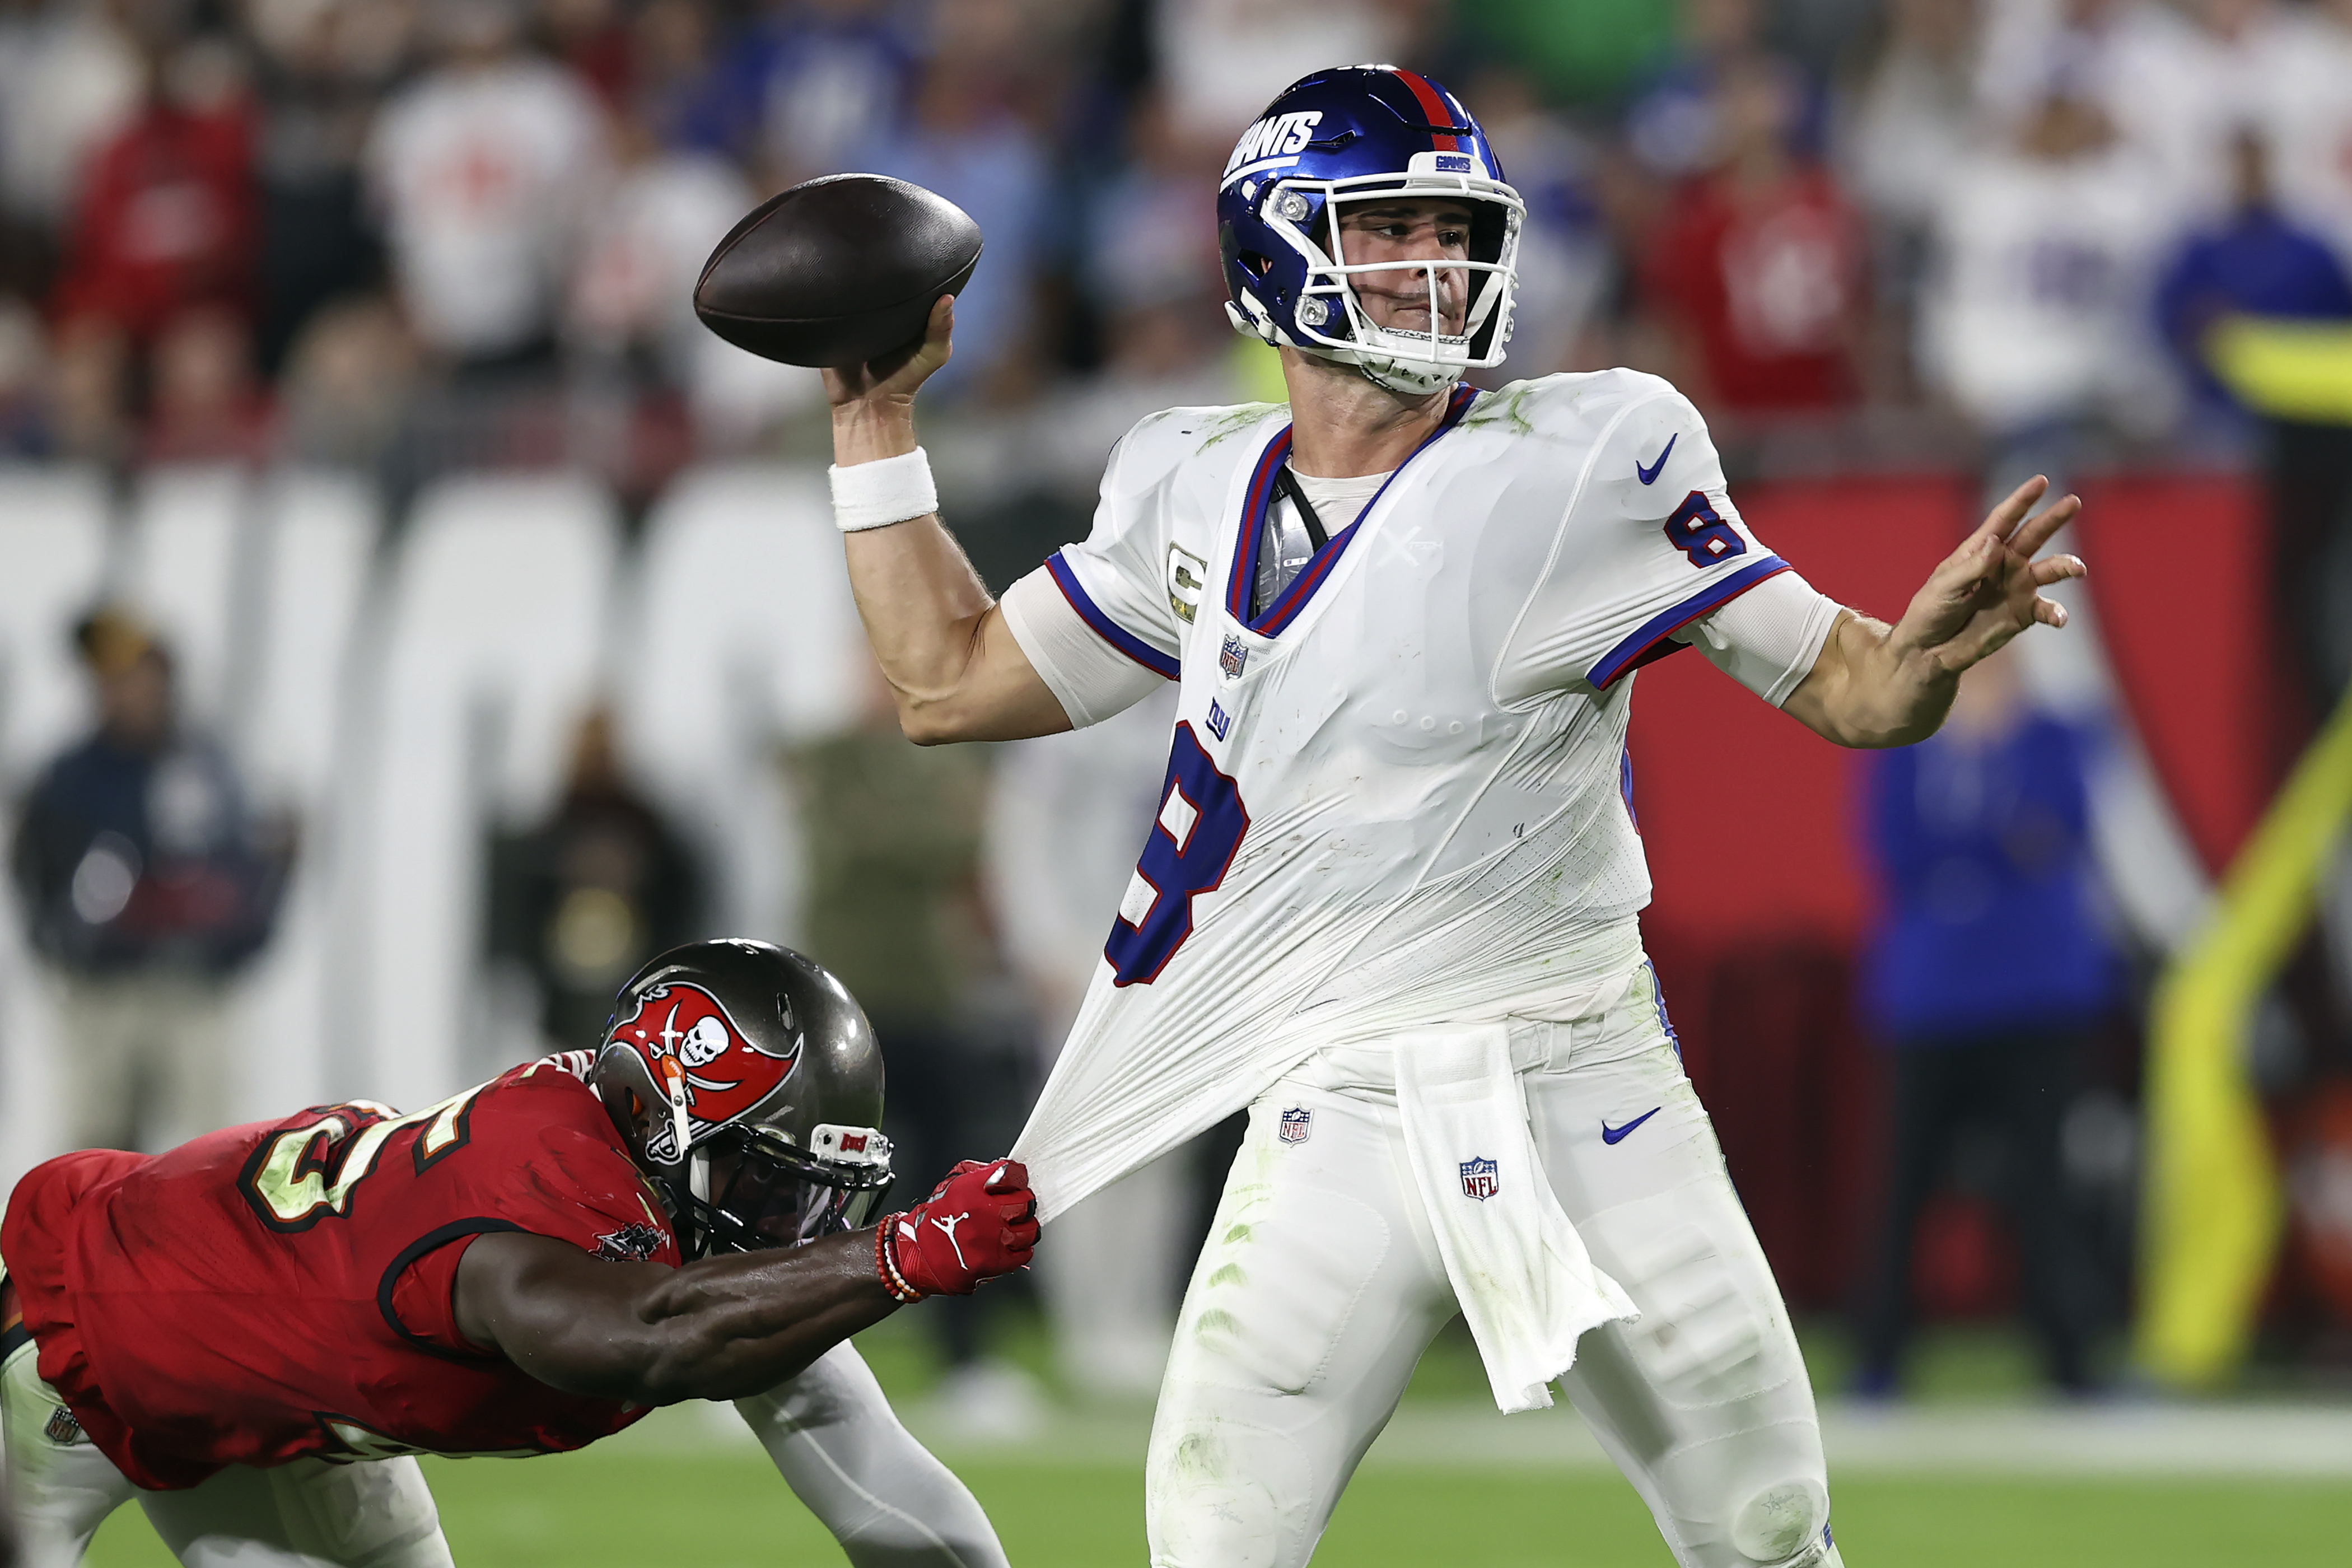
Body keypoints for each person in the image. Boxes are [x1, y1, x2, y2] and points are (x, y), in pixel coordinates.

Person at [813, 65, 2085, 1568]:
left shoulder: (1588, 458)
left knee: (1768, 1538)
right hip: (1329, 1094)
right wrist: (877, 419)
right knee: (1210, 1540)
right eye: (1390, 230)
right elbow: (947, 683)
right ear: (1279, 251)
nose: (1438, 267)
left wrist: (1926, 653)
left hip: (1583, 1086)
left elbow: (1857, 692)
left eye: (1454, 232)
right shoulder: (1186, 479)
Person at [0, 939, 1037, 1567]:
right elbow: (650, 1337)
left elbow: (878, 1472)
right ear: (661, 1119)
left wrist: (878, 1258)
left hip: (283, 1406)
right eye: (770, 1188)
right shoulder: (536, 1194)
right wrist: (902, 1255)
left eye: (819, 1199)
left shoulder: (667, 1202)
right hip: (75, 1340)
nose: (791, 1233)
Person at [1851, 647, 2115, 1396]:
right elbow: (1896, 851)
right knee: (1904, 1184)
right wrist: (1995, 844)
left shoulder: (2053, 735)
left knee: (2045, 1184)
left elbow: (2059, 831)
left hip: (2034, 995)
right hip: (1932, 999)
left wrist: (1996, 770)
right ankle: (1880, 1358)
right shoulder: (1906, 742)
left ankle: (2070, 1361)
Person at [8, 608, 288, 1154]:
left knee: (218, 1153)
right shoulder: (69, 777)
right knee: (93, 1153)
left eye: (127, 676)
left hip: (195, 988)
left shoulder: (212, 768)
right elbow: (34, 872)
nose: (115, 691)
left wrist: (234, 935)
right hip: (103, 991)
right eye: (104, 679)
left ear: (162, 677)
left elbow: (259, 865)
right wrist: (64, 942)